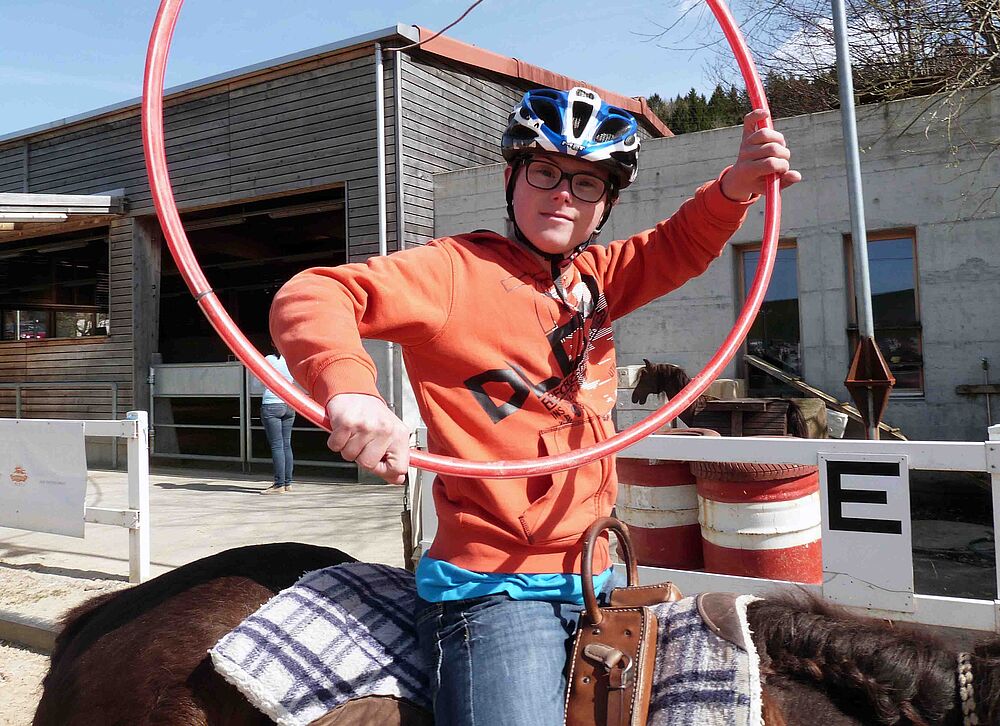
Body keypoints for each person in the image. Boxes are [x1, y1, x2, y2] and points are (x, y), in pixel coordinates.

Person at [270, 86, 800, 725]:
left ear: (605, 204)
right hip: (496, 590)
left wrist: (738, 185)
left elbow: (676, 246)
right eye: (545, 171)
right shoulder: (453, 272)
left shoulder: (594, 281)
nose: (562, 195)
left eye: (586, 183)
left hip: (599, 571)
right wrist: (351, 391)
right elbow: (316, 292)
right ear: (510, 176)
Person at [259, 348, 296, 494]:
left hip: (272, 404)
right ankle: (288, 483)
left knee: (277, 446)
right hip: (289, 403)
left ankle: (279, 484)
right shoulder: (291, 358)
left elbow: (258, 382)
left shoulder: (268, 359)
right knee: (286, 444)